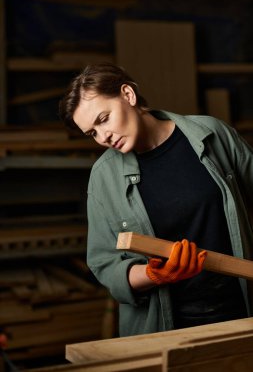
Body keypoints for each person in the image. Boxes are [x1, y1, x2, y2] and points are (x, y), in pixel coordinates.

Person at [59, 63, 253, 337]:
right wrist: (154, 275)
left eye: (103, 119)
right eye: (92, 133)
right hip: (167, 327)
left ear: (128, 95)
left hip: (243, 312)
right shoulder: (104, 179)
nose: (103, 137)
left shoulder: (212, 135)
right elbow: (105, 264)